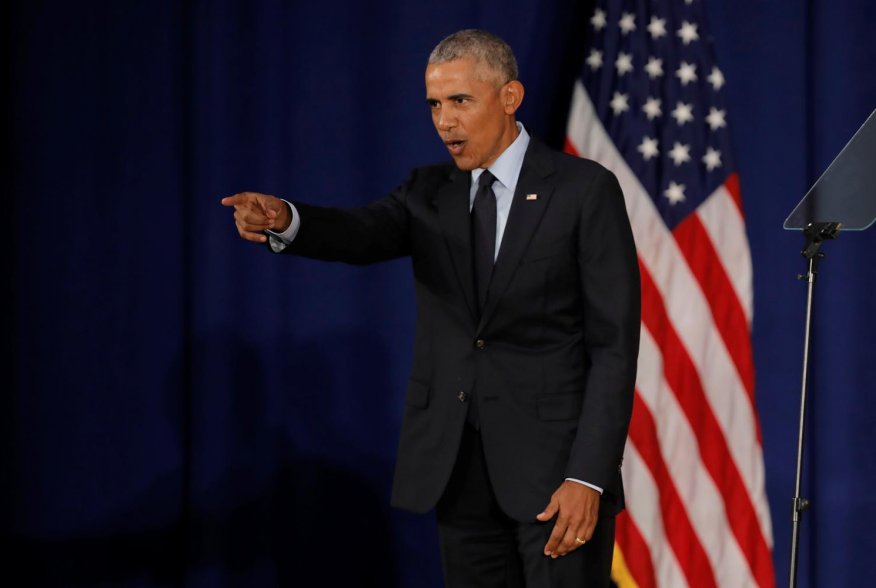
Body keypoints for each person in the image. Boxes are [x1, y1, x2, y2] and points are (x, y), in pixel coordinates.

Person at [221, 29, 640, 588]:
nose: (444, 121)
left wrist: (588, 478)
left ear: (509, 97)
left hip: (554, 476)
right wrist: (286, 220)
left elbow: (614, 346)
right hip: (457, 471)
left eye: (460, 101)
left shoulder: (583, 189)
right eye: (435, 105)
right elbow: (362, 233)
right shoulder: (428, 191)